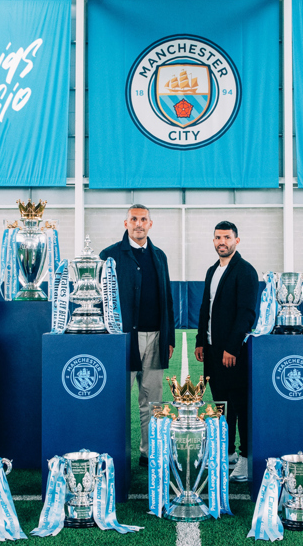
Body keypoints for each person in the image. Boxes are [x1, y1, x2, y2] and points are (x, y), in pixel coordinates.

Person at [100, 204, 176, 467]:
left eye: (144, 219)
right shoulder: (109, 256)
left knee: (152, 401)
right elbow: (103, 300)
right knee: (118, 399)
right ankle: (115, 453)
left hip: (156, 337)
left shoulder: (160, 256)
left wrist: (169, 338)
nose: (139, 224)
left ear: (150, 224)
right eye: (134, 219)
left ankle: (149, 452)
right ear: (126, 223)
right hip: (123, 340)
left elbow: (168, 299)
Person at [194, 221, 259, 481]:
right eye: (218, 237)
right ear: (213, 241)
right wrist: (201, 340)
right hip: (211, 351)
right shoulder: (212, 270)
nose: (222, 242)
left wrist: (232, 347)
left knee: (241, 407)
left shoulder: (245, 271)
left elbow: (247, 314)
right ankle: (228, 453)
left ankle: (245, 459)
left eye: (227, 237)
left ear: (237, 240)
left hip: (233, 354)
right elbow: (204, 309)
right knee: (221, 407)